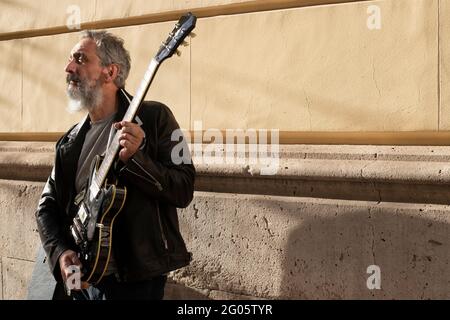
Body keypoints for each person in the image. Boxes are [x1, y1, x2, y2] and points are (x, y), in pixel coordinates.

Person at [35, 30, 195, 300]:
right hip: (80, 282)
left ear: (110, 72)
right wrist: (60, 252)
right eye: (70, 59)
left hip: (134, 281)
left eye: (80, 59)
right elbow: (46, 207)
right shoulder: (69, 141)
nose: (68, 67)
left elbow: (183, 187)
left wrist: (137, 159)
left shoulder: (156, 118)